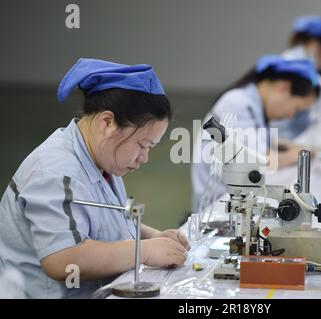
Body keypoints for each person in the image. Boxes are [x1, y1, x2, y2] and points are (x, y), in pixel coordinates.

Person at [0, 58, 190, 298]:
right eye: (143, 145)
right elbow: (62, 258)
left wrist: (152, 236)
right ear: (107, 122)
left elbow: (102, 220)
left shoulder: (100, 158)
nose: (145, 158)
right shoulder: (54, 170)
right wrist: (144, 251)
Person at [191, 55, 320, 211]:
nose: (291, 116)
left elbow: (258, 139)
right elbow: (261, 162)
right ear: (283, 87)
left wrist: (285, 145)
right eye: (296, 108)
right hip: (219, 206)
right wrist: (295, 154)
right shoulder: (237, 103)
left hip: (235, 199)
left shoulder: (252, 102)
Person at [272, 16, 321, 138]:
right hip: (286, 137)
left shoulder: (316, 65)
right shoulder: (292, 66)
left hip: (303, 134)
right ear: (315, 45)